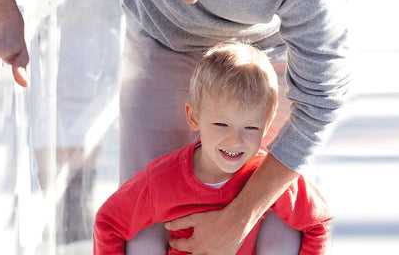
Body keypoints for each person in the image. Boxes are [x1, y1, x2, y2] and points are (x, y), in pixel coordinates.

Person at [0, 0, 350, 254]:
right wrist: (2, 5)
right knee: (145, 214)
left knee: (279, 218)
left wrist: (239, 219)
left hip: (265, 55)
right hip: (163, 42)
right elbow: (114, 222)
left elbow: (321, 101)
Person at [94, 41, 332, 255]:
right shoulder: (162, 181)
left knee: (285, 238)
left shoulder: (269, 177)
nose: (235, 140)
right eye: (221, 124)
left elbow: (320, 223)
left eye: (250, 127)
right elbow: (108, 222)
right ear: (194, 117)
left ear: (267, 124)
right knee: (141, 242)